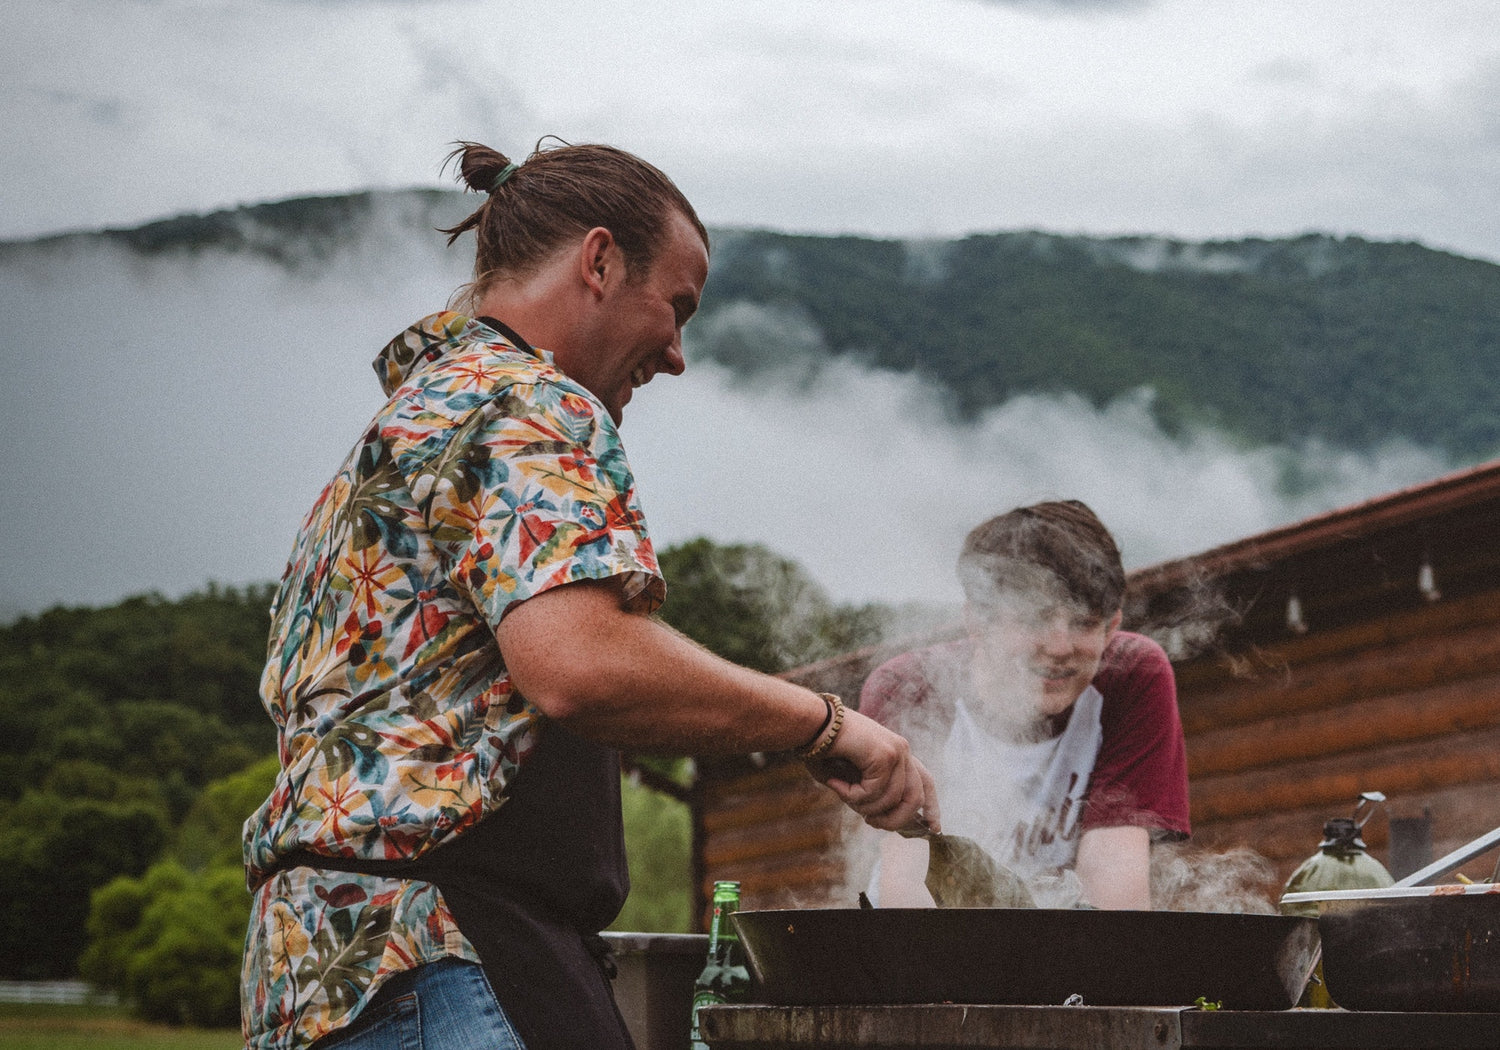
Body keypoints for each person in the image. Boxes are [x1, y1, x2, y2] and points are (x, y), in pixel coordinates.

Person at [240, 139, 938, 1050]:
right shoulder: (528, 400)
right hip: (439, 954)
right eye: (676, 308)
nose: (679, 356)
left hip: (324, 974)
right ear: (600, 261)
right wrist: (827, 725)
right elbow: (580, 664)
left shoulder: (413, 418)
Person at [859, 500, 1187, 911]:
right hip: (934, 941)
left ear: (1112, 625)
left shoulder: (1132, 676)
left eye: (1084, 623)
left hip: (1066, 947)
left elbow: (1114, 891)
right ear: (978, 621)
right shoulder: (909, 690)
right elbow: (911, 891)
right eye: (1035, 619)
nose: (1060, 647)